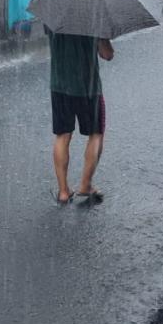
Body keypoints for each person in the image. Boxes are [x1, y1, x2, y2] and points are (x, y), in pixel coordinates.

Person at [47, 29, 114, 205]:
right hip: (88, 86)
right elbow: (107, 54)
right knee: (96, 133)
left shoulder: (54, 12)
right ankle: (85, 185)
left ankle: (63, 191)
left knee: (62, 135)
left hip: (59, 84)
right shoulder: (93, 15)